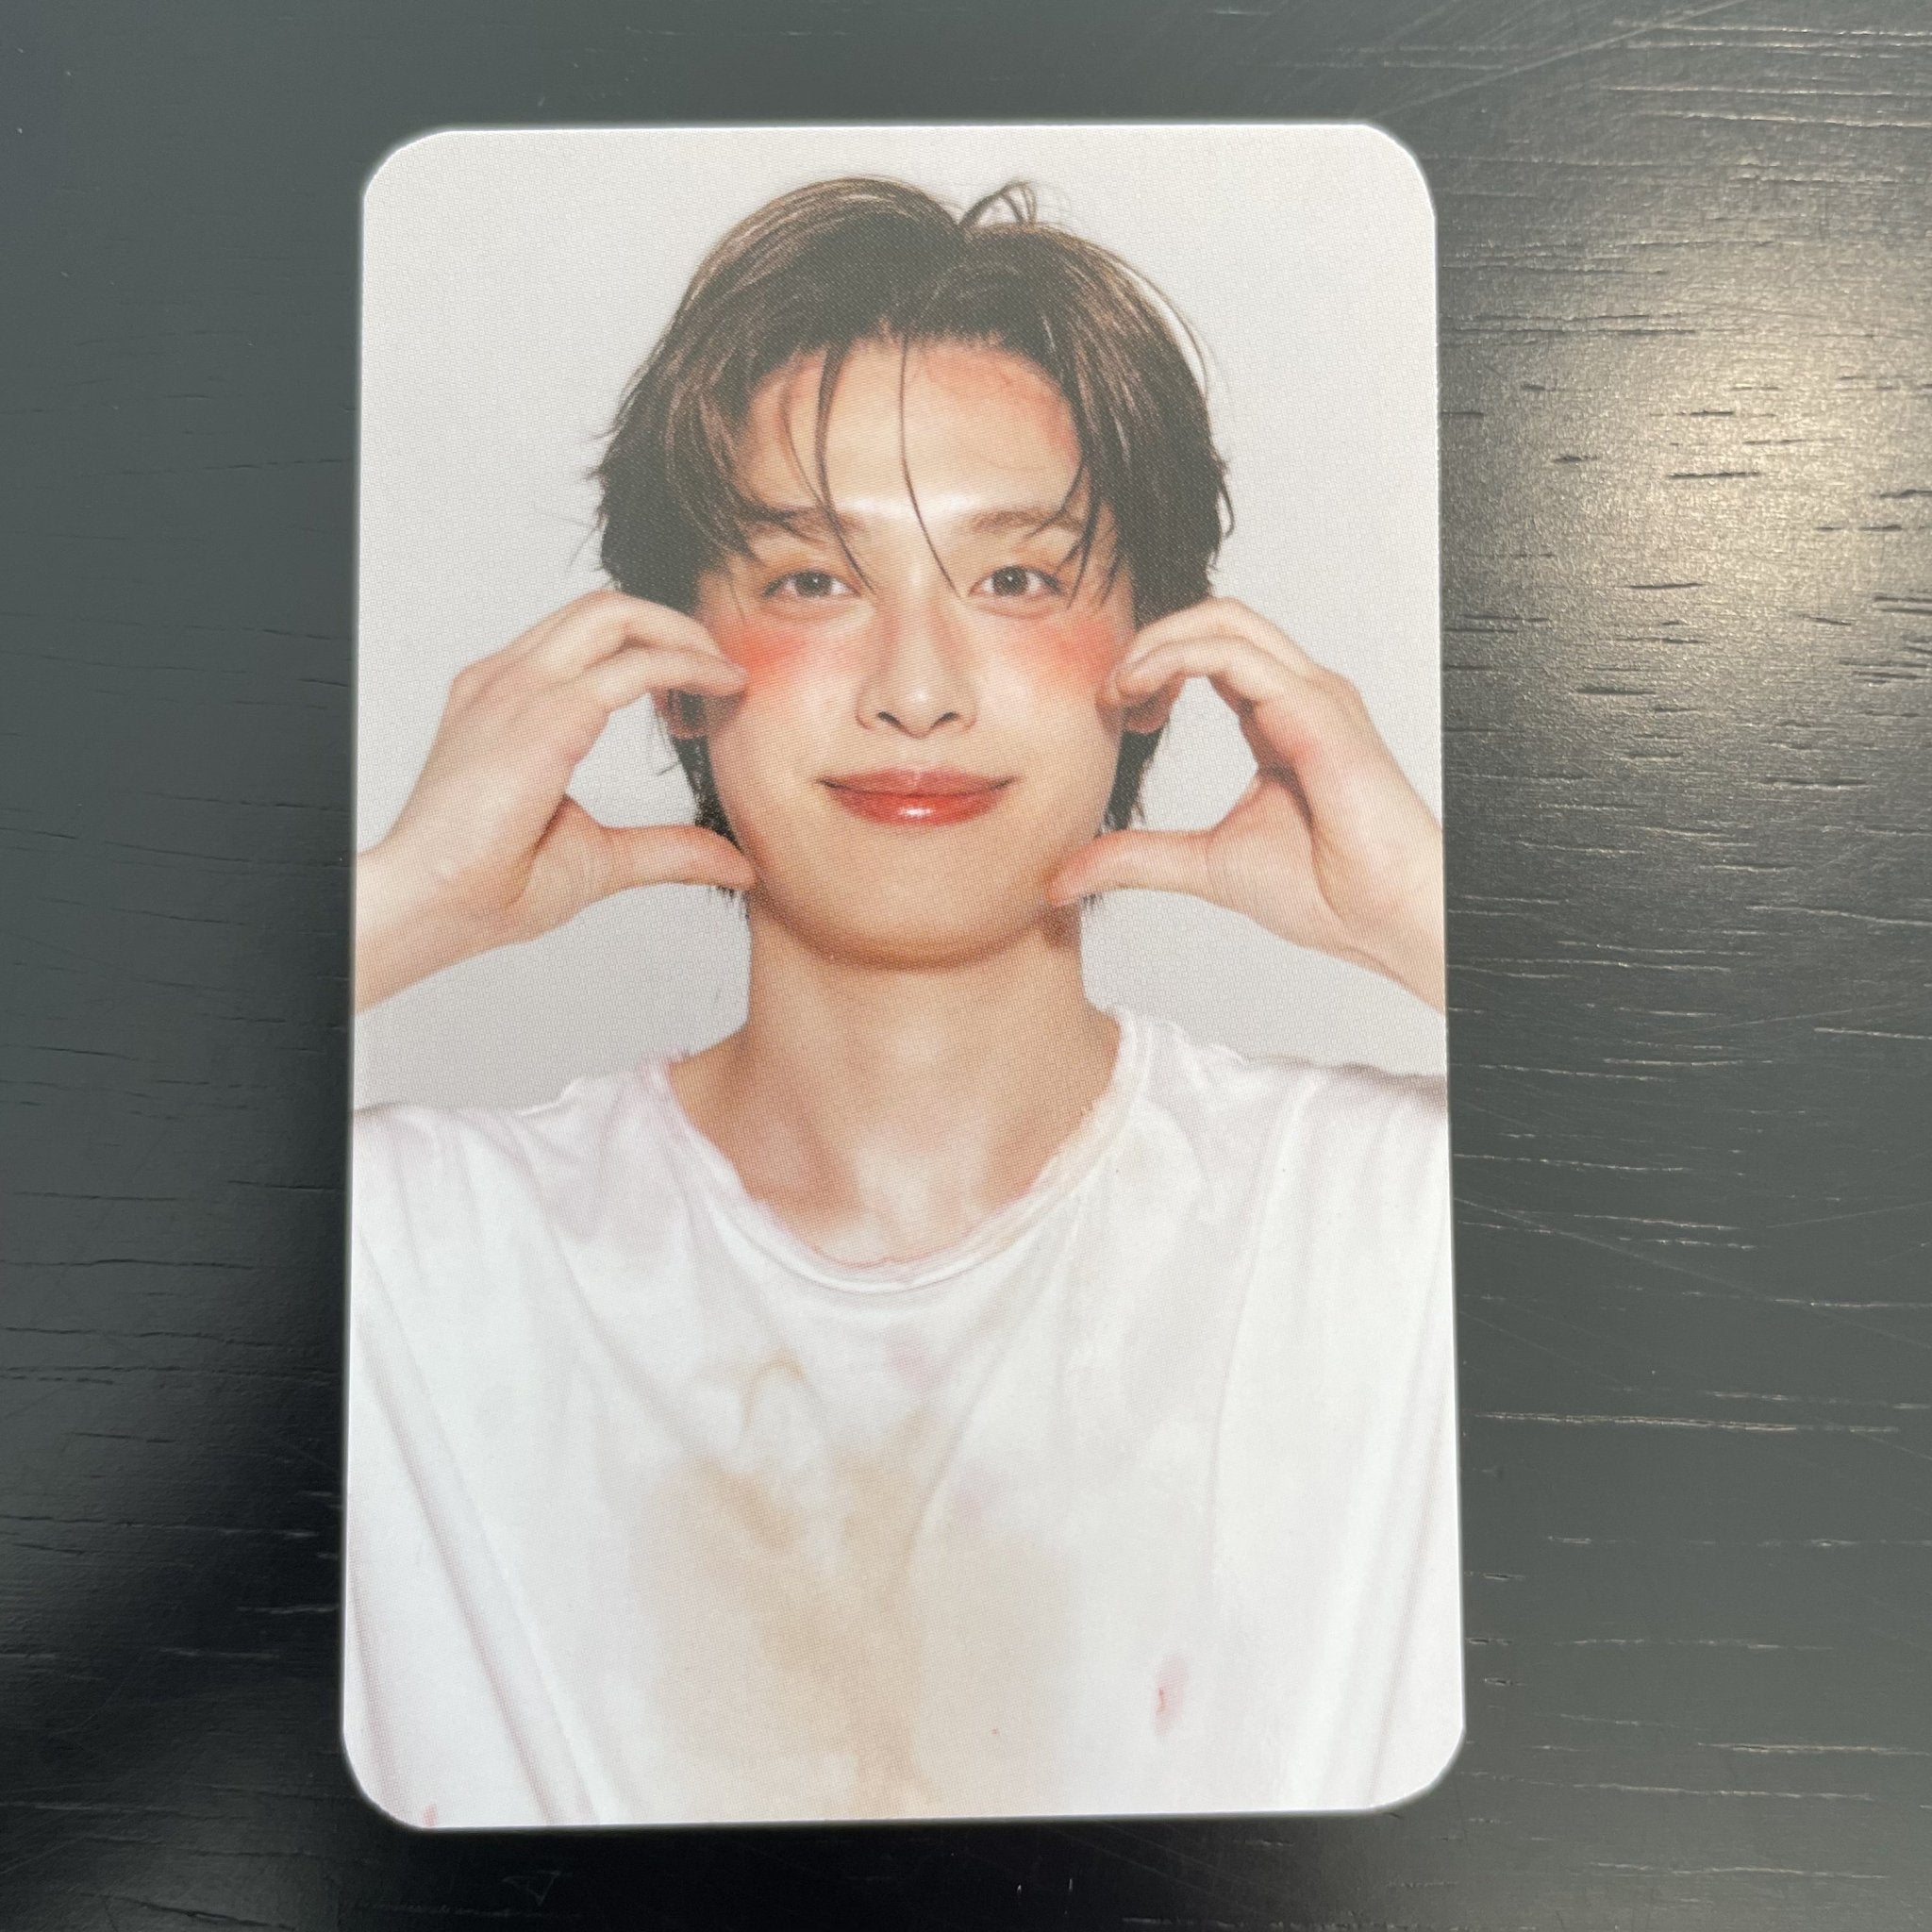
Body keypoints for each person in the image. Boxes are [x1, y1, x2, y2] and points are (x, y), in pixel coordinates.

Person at [344, 177, 1458, 1828]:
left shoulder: (1387, 1224)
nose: (917, 689)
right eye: (812, 582)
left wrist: (1440, 918)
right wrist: (398, 903)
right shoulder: (413, 1256)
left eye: (1017, 581)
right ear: (668, 665)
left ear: (1161, 658)